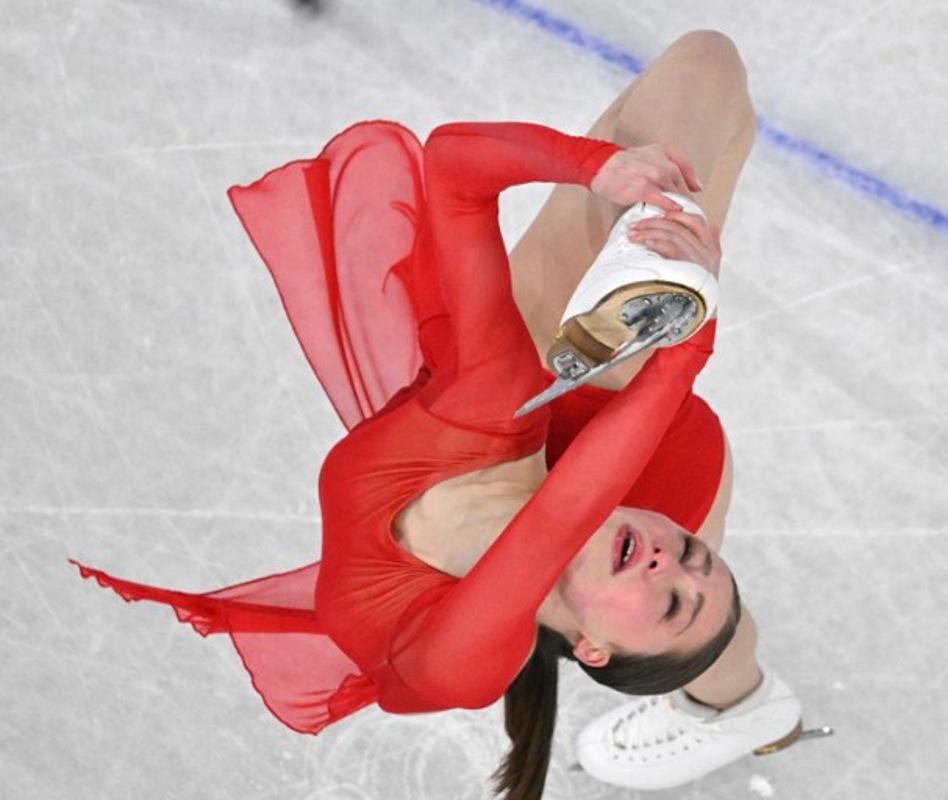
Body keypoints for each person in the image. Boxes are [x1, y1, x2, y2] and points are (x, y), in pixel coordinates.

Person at [68, 29, 812, 799]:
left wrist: (679, 325)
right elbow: (452, 167)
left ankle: (737, 702)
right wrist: (620, 190)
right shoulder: (496, 397)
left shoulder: (458, 664)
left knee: (704, 640)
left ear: (589, 648)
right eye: (690, 553)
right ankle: (734, 688)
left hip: (616, 460)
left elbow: (559, 519)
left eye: (670, 598)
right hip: (614, 436)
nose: (671, 564)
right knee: (706, 68)